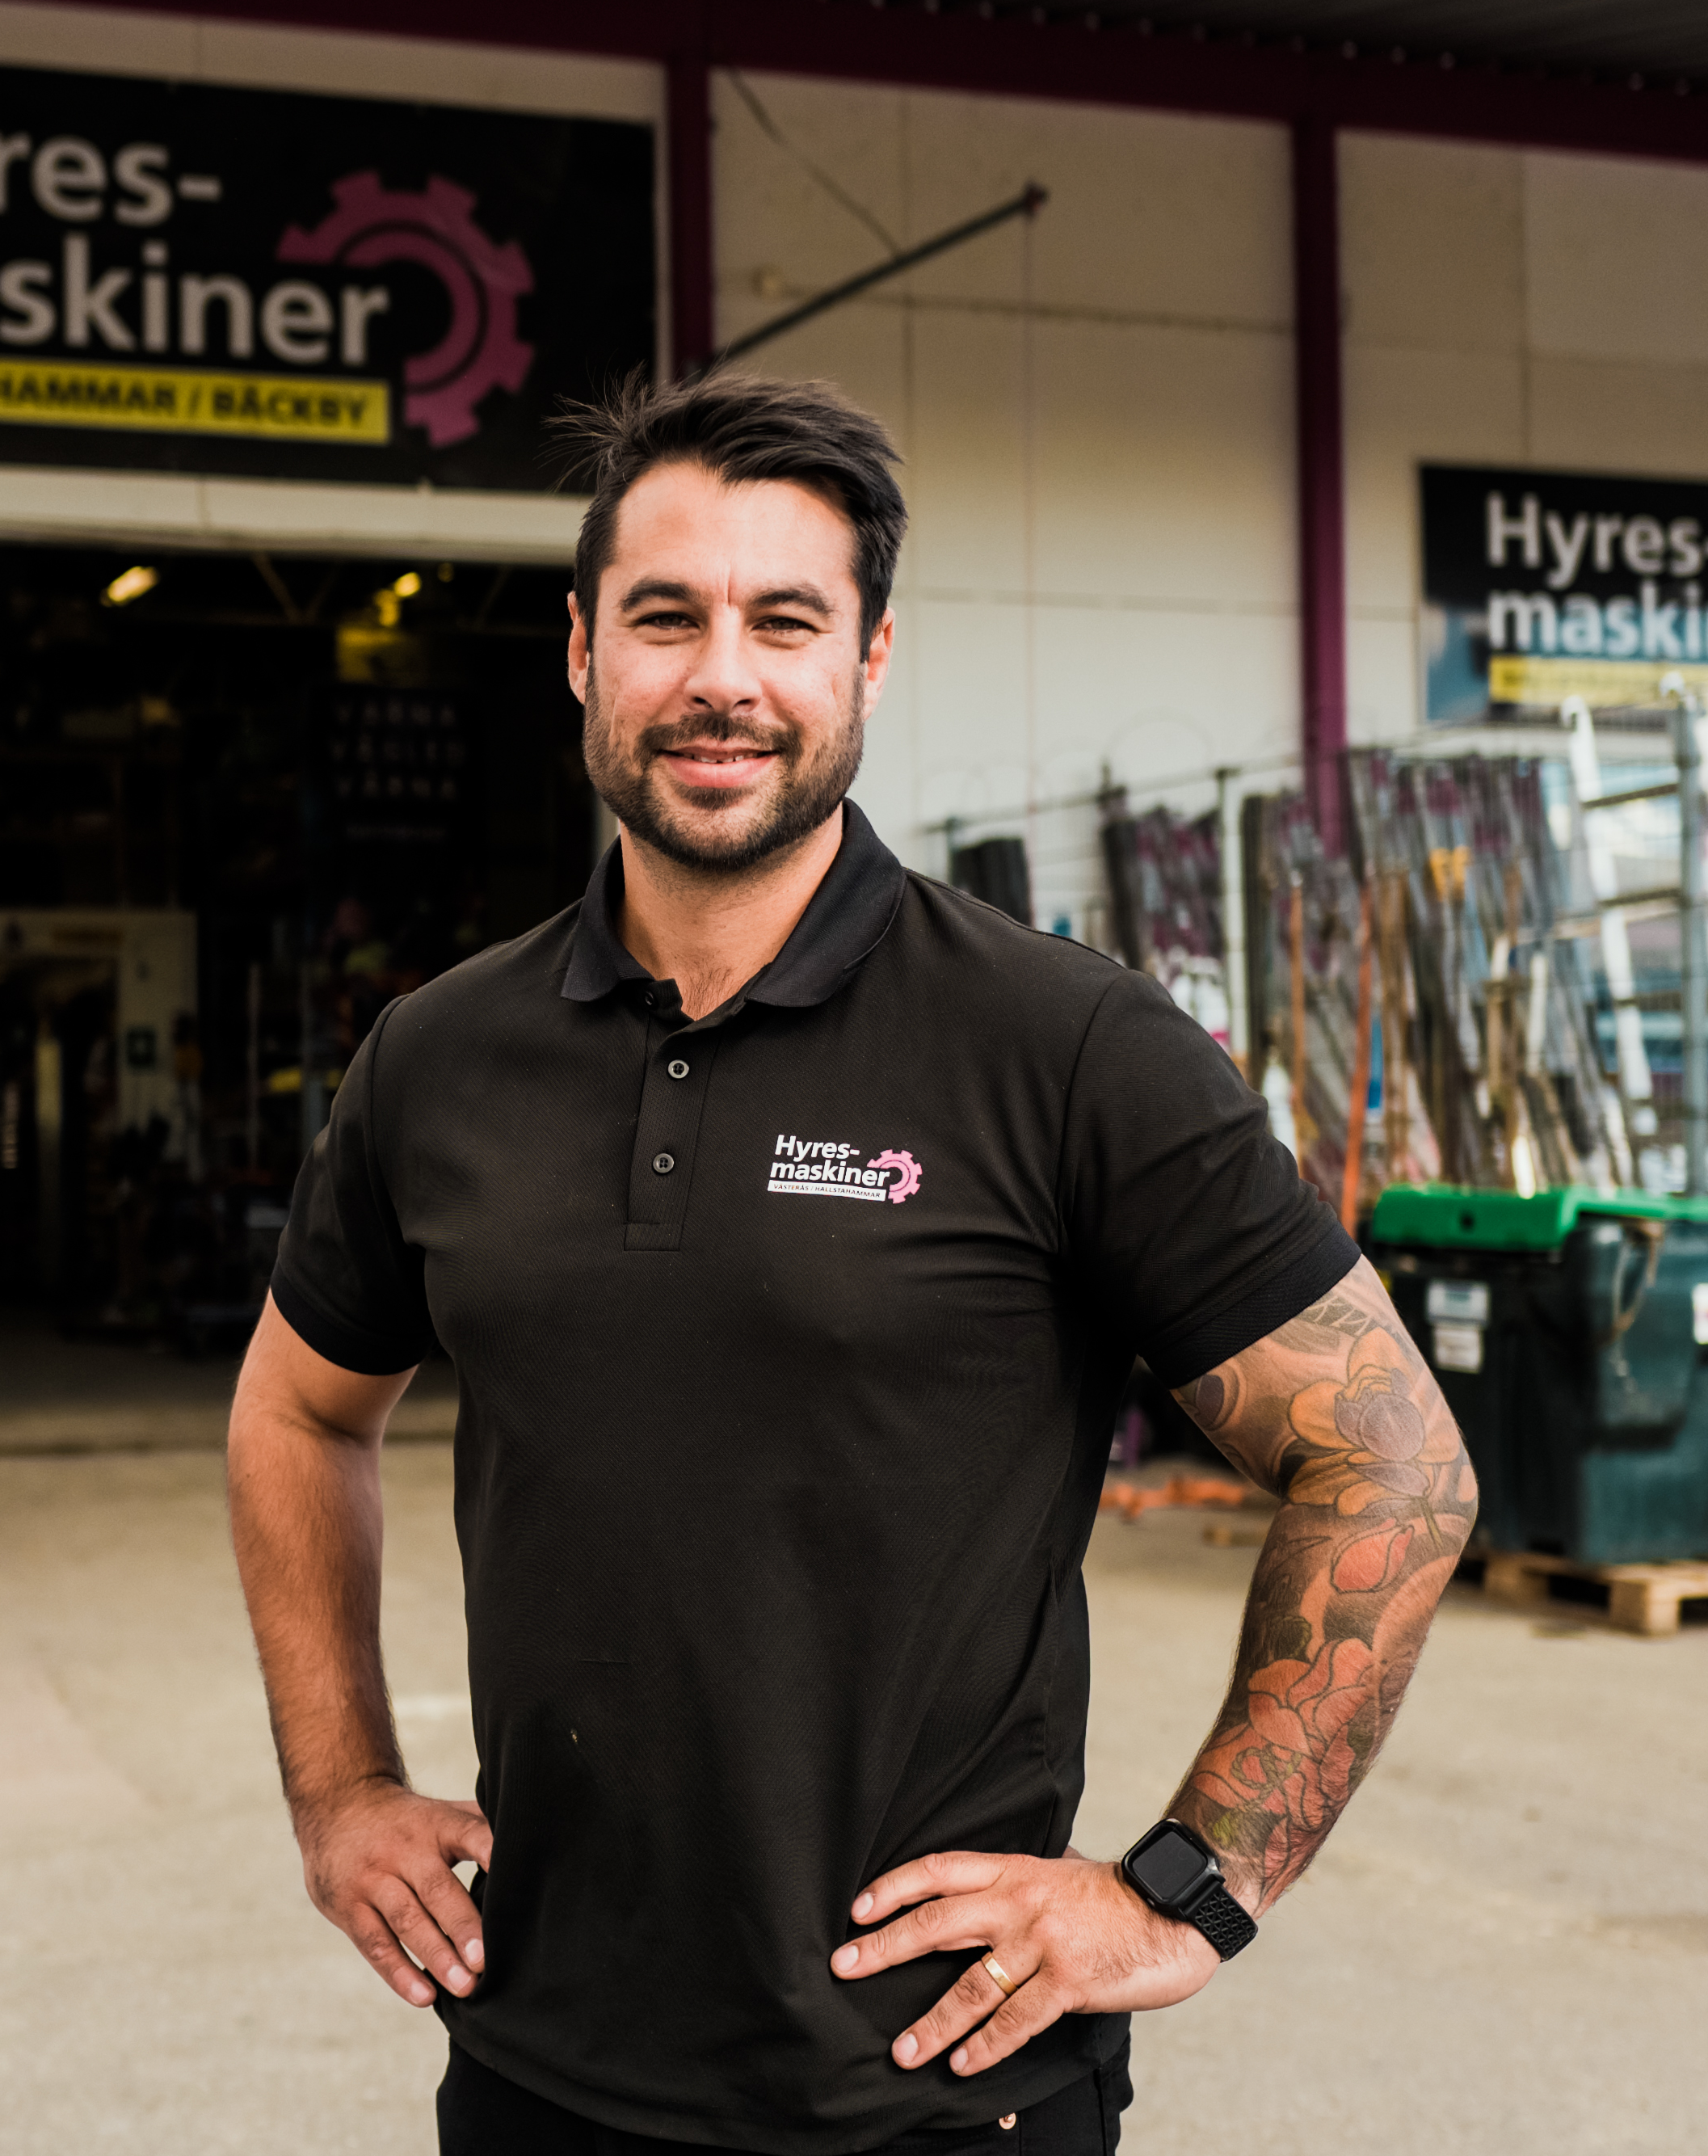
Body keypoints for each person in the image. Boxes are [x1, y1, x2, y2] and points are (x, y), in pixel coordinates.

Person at [226, 369, 1475, 2153]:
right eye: (664, 617)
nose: (720, 676)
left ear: (868, 660)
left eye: (783, 620)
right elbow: (294, 1411)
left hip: (937, 2101)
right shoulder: (440, 1057)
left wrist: (1183, 1890)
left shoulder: (1064, 1049)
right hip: (533, 2073)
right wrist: (337, 1787)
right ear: (580, 652)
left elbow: (1393, 1462)